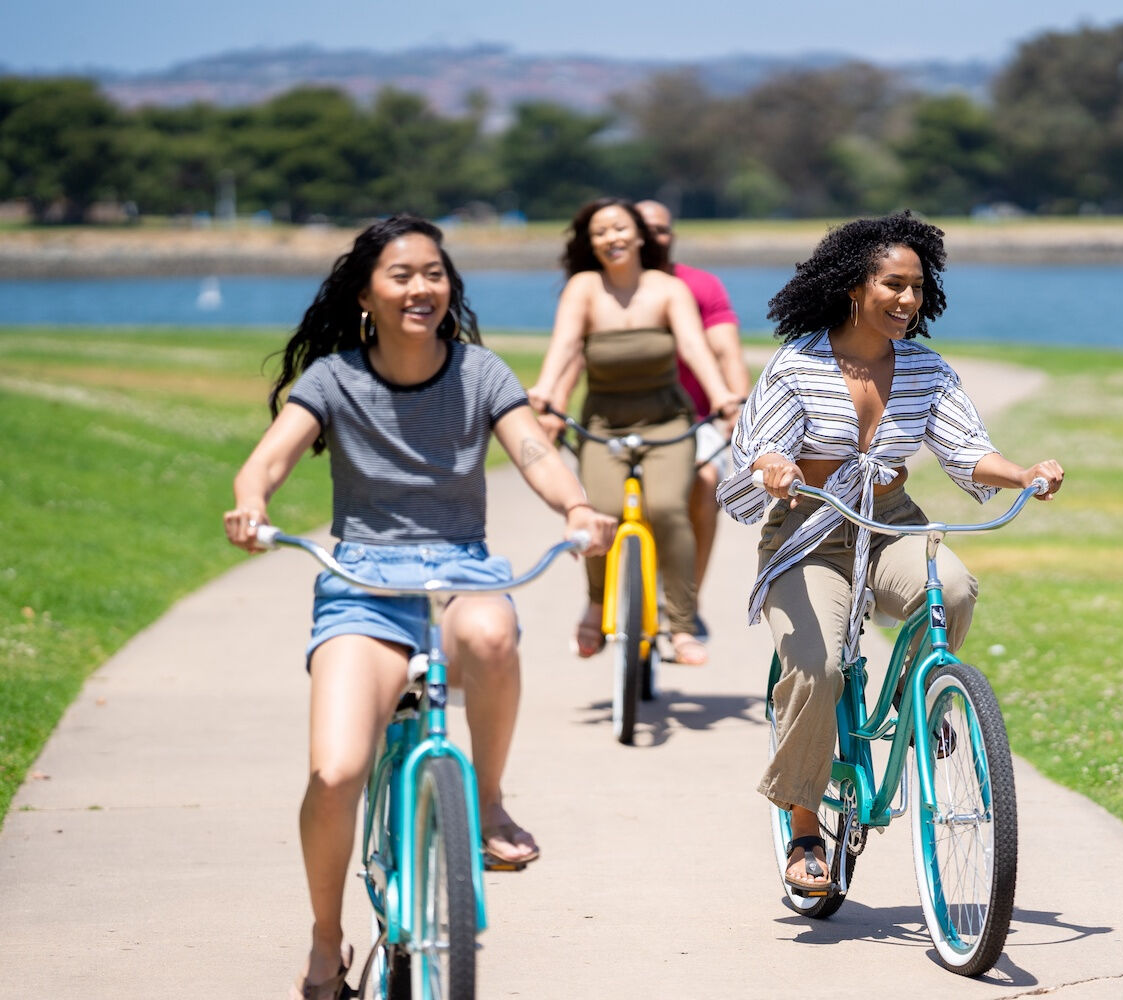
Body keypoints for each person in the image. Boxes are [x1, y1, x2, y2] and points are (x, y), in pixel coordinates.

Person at [222, 215, 615, 1000]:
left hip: (458, 570)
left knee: (493, 632)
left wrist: (576, 509)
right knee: (336, 774)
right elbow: (266, 462)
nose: (421, 289)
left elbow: (534, 452)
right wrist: (249, 504)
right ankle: (326, 940)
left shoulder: (480, 373)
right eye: (402, 275)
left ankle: (491, 806)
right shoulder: (334, 379)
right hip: (361, 585)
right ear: (366, 291)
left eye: (434, 274)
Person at [716, 212, 1065, 895]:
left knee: (954, 588)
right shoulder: (799, 364)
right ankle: (805, 829)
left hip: (890, 520)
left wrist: (1022, 473)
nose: (908, 300)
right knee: (816, 669)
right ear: (853, 285)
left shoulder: (926, 368)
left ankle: (922, 704)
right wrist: (775, 466)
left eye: (917, 287)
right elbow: (756, 446)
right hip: (809, 530)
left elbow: (969, 450)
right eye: (893, 285)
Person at [529, 197, 740, 667]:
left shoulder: (667, 289)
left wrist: (724, 395)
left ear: (640, 235)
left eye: (621, 228)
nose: (612, 238)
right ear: (591, 243)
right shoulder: (583, 288)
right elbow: (565, 346)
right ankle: (595, 602)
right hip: (604, 421)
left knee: (667, 509)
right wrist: (544, 393)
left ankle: (681, 625)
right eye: (601, 232)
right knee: (599, 511)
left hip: (666, 419)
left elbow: (693, 344)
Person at [635, 199, 750, 636]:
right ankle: (614, 597)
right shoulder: (601, 287)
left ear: (672, 235)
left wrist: (737, 404)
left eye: (661, 229)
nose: (652, 237)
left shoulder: (700, 285)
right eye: (643, 228)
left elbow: (726, 351)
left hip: (694, 419)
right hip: (627, 419)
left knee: (704, 482)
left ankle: (685, 603)